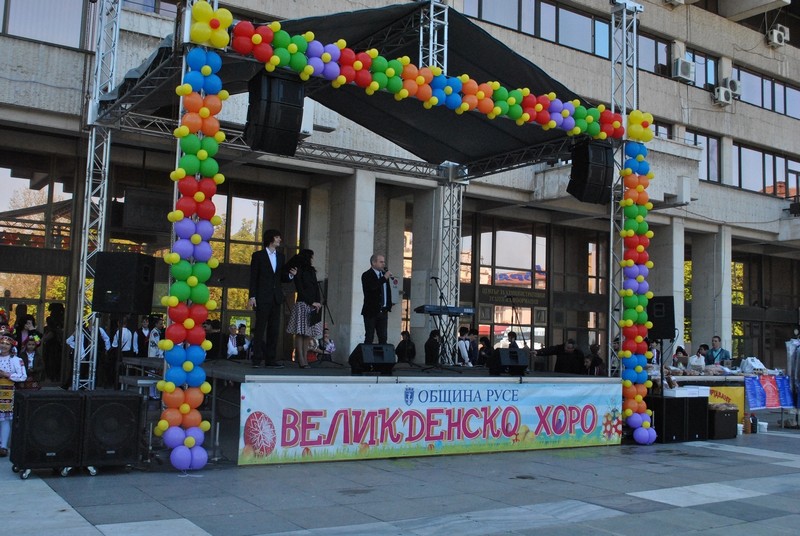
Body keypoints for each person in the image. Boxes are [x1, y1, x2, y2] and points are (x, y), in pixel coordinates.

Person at [249, 229, 292, 368]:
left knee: (274, 329)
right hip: (262, 297)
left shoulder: (281, 257)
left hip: (276, 298)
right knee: (260, 328)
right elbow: (253, 277)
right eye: (278, 237)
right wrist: (252, 296)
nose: (280, 240)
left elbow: (281, 277)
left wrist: (290, 275)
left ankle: (270, 359)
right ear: (271, 239)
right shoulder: (258, 256)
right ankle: (256, 359)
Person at [285, 249, 322, 369]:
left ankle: (305, 357)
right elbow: (300, 289)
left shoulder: (311, 271)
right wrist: (311, 302)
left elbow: (316, 287)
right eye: (310, 257)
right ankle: (300, 358)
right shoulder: (298, 270)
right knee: (300, 333)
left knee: (307, 333)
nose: (312, 259)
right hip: (302, 303)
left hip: (313, 304)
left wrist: (318, 302)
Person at [0, 325, 26, 456]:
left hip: (7, 391)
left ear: (11, 346)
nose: (4, 346)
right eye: (2, 343)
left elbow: (23, 376)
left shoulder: (16, 360)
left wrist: (7, 374)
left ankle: (3, 446)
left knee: (4, 419)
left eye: (7, 344)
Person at [361, 254, 393, 344]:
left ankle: (382, 353)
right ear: (373, 263)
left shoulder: (383, 275)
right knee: (369, 336)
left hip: (383, 311)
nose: (383, 264)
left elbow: (387, 291)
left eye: (384, 262)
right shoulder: (367, 275)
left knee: (383, 337)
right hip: (371, 311)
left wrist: (389, 305)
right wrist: (384, 277)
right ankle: (367, 353)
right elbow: (373, 287)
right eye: (381, 262)